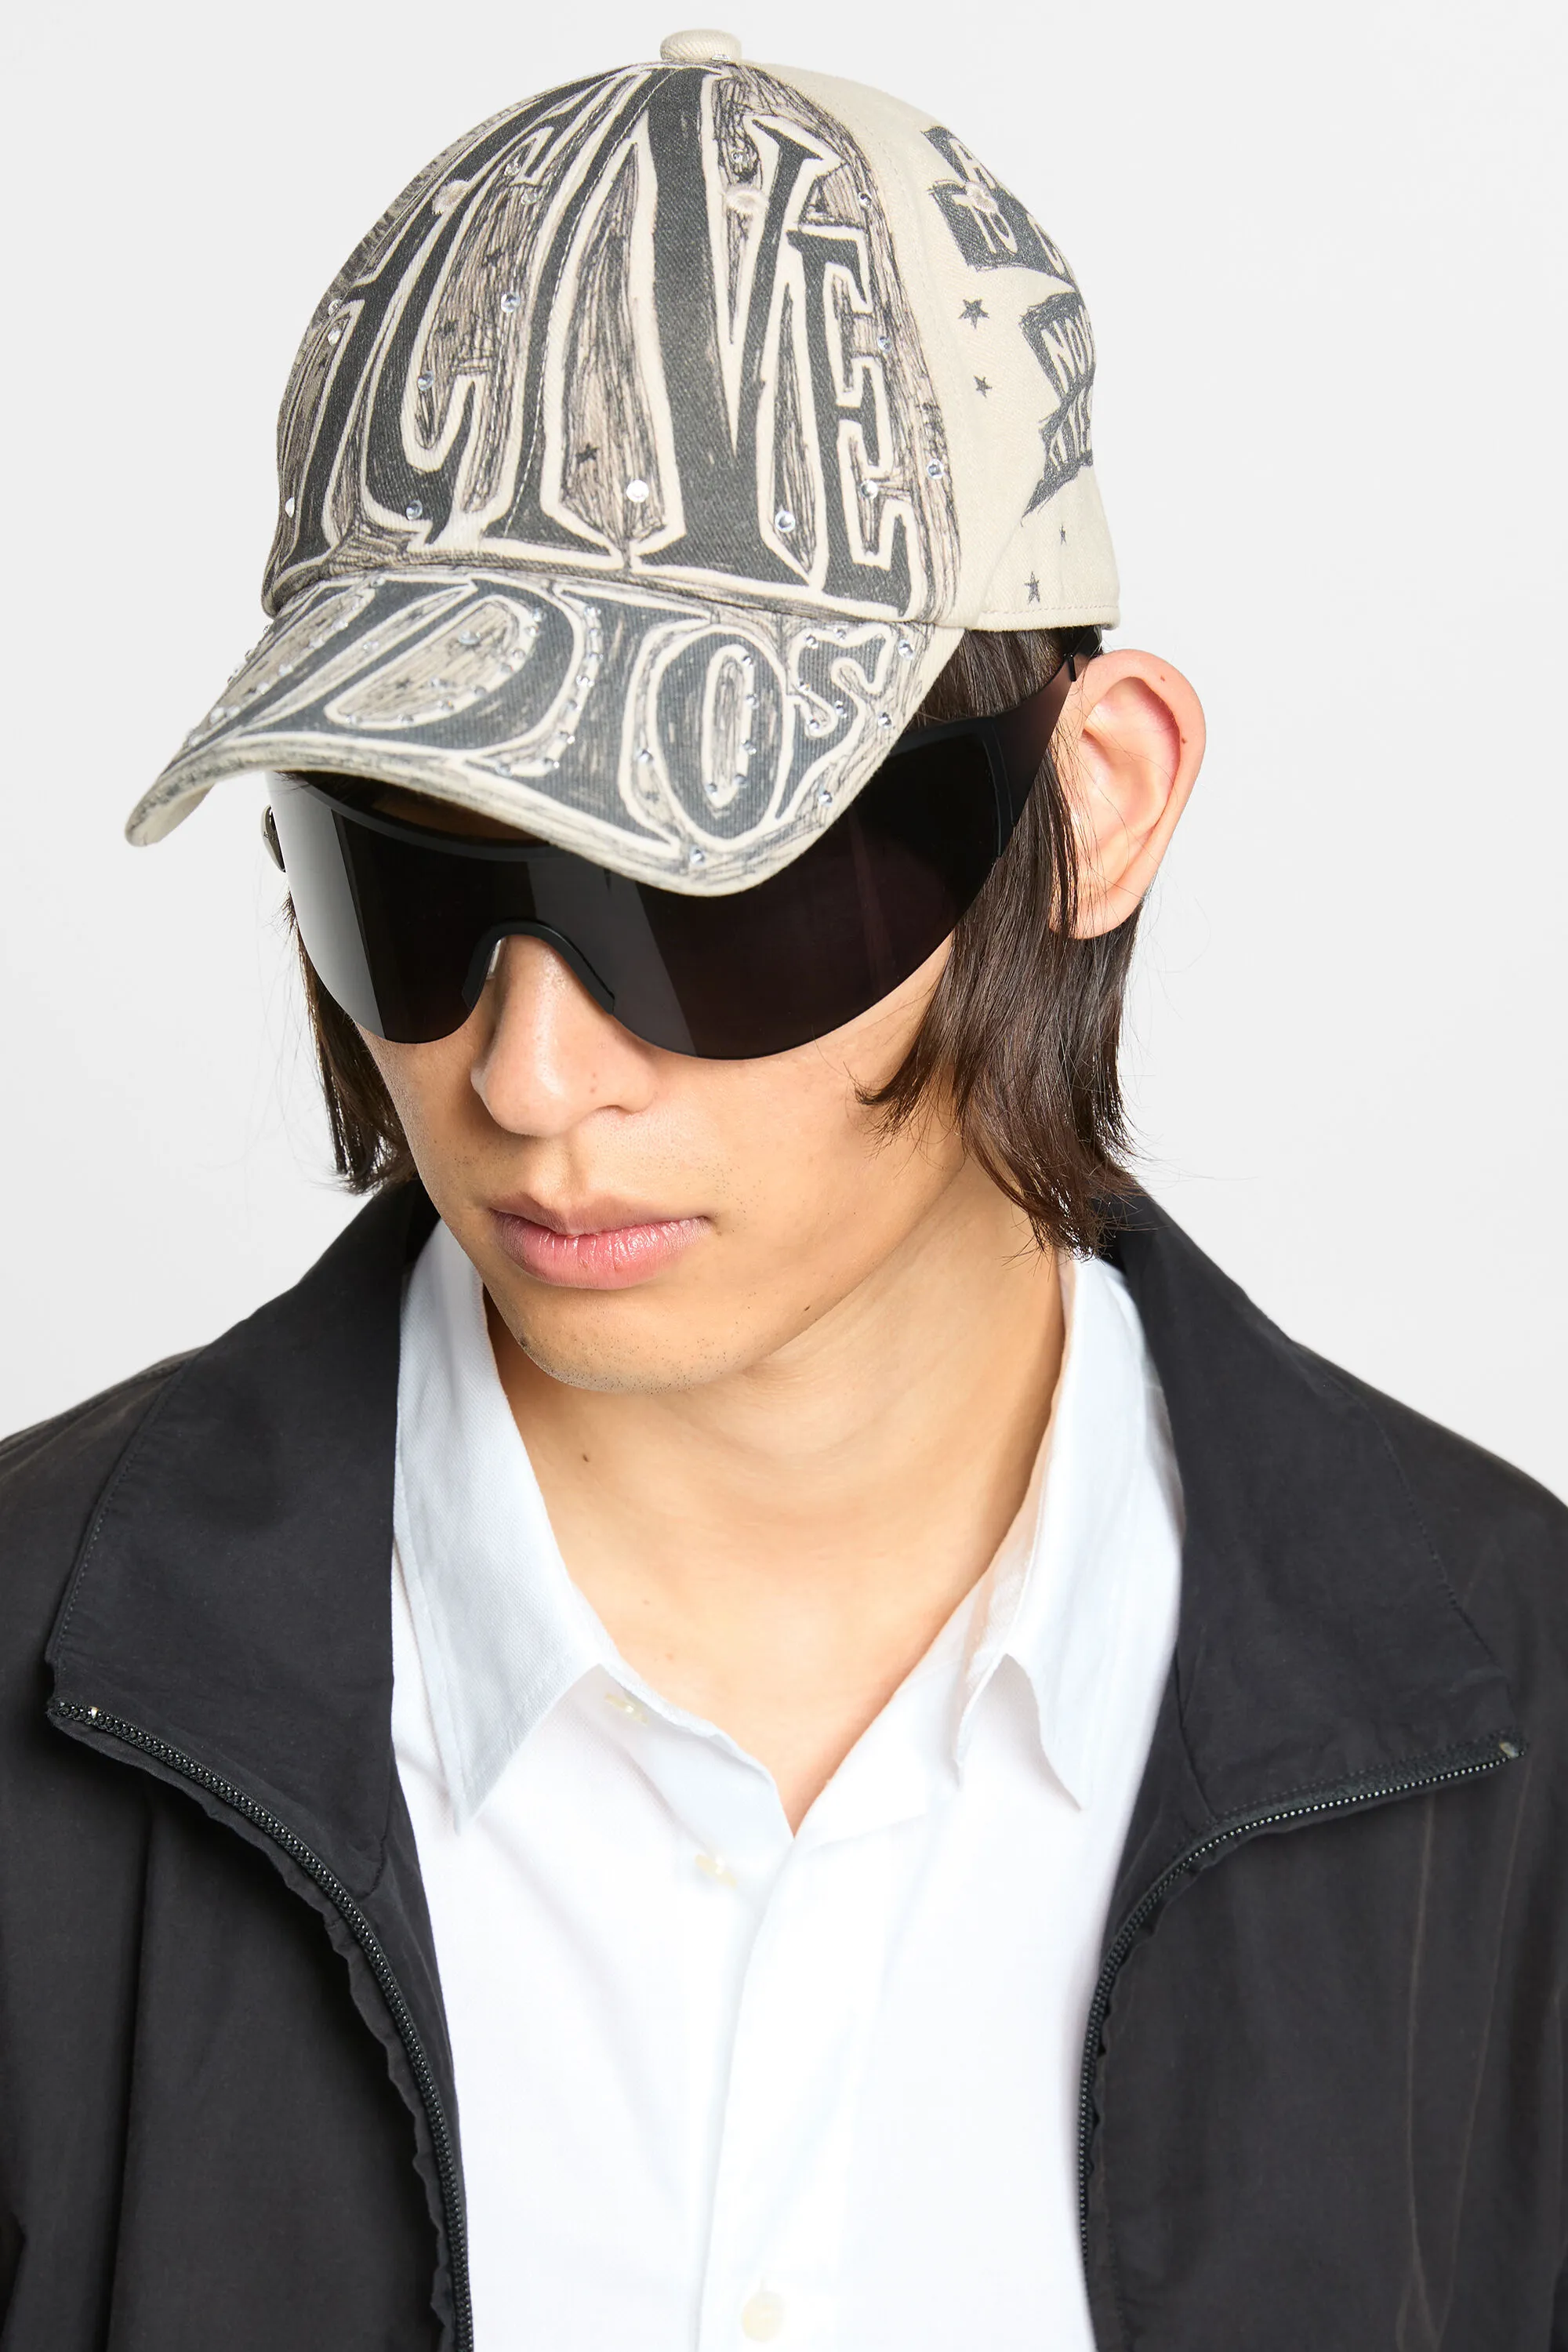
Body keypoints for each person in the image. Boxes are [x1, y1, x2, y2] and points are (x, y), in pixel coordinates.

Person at [2, 27, 1563, 2352]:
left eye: (701, 896)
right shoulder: (31, 1698)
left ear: (1093, 801)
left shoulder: (1519, 1741)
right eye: (405, 887)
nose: (530, 1075)